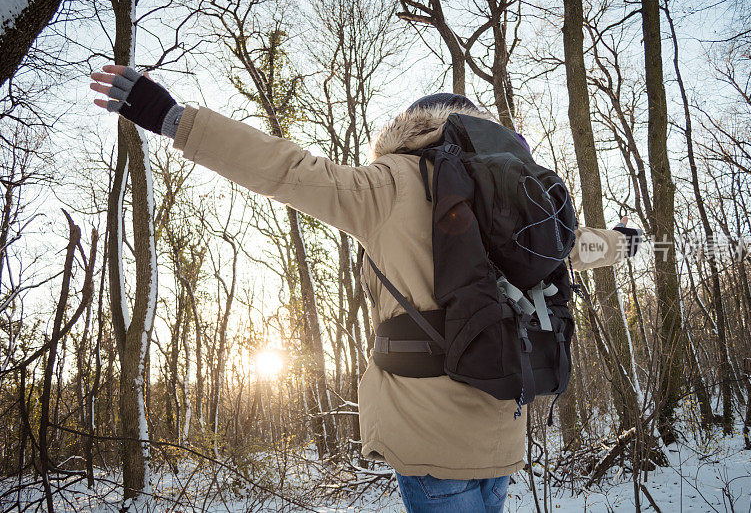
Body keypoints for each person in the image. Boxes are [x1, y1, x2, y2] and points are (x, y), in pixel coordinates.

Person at [90, 66, 639, 513]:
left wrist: (170, 117)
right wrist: (622, 244)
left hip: (428, 435)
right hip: (503, 425)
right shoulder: (508, 197)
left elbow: (284, 168)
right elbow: (569, 245)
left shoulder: (390, 181)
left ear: (414, 126)